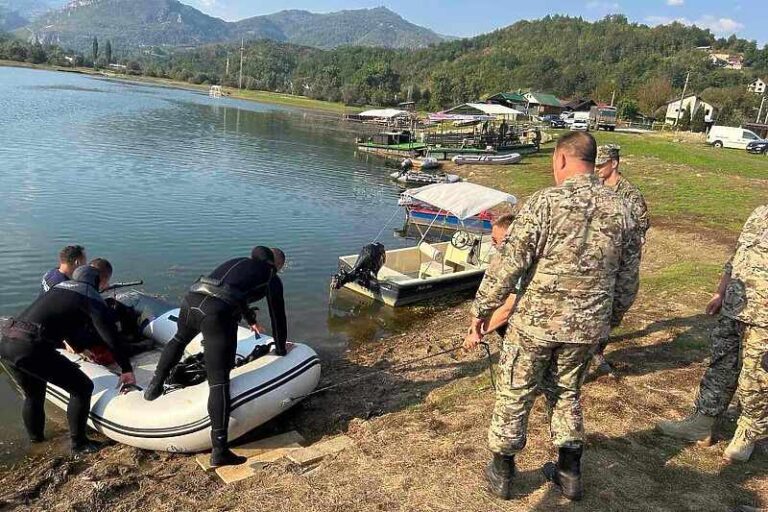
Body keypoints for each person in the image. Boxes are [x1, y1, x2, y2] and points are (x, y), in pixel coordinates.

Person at [464, 132, 641, 501]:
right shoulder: (623, 209)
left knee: (515, 391)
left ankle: (502, 472)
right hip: (587, 328)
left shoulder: (545, 202)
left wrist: (481, 311)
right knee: (566, 393)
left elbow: (508, 265)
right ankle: (569, 472)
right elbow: (627, 280)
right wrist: (611, 320)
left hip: (535, 325)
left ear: (561, 159)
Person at [144, 246, 288, 468]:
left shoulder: (239, 262)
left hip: (192, 301)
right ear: (277, 266)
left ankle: (154, 386)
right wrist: (280, 349)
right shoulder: (271, 277)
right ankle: (220, 450)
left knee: (179, 339)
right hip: (217, 313)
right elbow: (278, 316)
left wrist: (250, 319)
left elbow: (233, 290)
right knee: (219, 381)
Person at [657, 205, 767, 462]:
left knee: (758, 377)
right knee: (720, 366)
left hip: (764, 319)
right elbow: (736, 258)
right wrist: (720, 292)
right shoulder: (760, 213)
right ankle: (702, 423)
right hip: (734, 307)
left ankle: (748, 434)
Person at [0, 261, 136, 454]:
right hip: (32, 347)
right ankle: (79, 444)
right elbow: (110, 337)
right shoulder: (90, 295)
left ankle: (37, 442)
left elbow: (61, 318)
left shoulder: (60, 288)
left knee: (33, 395)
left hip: (7, 341)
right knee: (82, 387)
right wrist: (126, 369)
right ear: (97, 282)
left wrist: (79, 346)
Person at [592, 144, 651, 374]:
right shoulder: (594, 188)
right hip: (598, 260)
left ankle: (598, 344)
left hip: (623, 261)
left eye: (601, 165)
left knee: (620, 302)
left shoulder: (630, 194)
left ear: (614, 163)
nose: (596, 169)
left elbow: (640, 227)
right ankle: (593, 350)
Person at [482, 214, 519, 338]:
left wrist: (479, 332)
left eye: (495, 240)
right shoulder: (507, 258)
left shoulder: (520, 262)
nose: (492, 244)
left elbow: (510, 307)